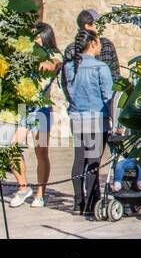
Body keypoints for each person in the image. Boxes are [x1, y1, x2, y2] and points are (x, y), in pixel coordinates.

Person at [5, 23, 61, 208]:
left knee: (41, 152)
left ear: (45, 37)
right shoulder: (25, 54)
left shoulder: (53, 54)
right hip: (24, 107)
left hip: (42, 109)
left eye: (37, 36)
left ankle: (40, 193)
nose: (34, 40)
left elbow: (53, 66)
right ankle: (23, 187)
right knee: (12, 149)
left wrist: (34, 60)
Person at [61, 29, 114, 218]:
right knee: (93, 160)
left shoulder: (68, 67)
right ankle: (92, 202)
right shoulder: (100, 68)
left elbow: (66, 91)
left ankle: (78, 202)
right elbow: (108, 96)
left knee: (79, 158)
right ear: (92, 43)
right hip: (95, 119)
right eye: (99, 41)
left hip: (77, 118)